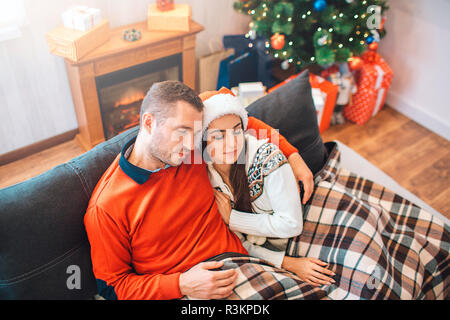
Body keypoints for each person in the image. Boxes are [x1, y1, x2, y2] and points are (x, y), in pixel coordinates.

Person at [84, 81, 314, 300]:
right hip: (187, 290)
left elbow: (238, 119)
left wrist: (293, 156)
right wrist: (181, 283)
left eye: (196, 134)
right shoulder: (106, 207)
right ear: (148, 123)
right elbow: (113, 287)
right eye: (182, 132)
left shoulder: (191, 151)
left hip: (244, 263)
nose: (190, 143)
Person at [200, 88, 335, 287]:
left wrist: (233, 218)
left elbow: (292, 224)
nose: (232, 143)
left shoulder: (267, 159)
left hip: (301, 227)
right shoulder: (206, 176)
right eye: (218, 136)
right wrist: (287, 263)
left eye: (237, 130)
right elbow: (237, 242)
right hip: (262, 253)